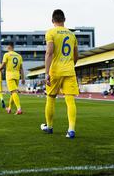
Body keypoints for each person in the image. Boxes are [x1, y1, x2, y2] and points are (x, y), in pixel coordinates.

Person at [40, 9, 79, 139]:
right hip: (69, 70)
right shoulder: (72, 35)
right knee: (70, 100)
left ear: (52, 20)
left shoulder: (51, 32)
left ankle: (49, 127)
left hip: (55, 71)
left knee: (50, 98)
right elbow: (76, 56)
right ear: (64, 20)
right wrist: (69, 66)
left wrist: (46, 73)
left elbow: (49, 53)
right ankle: (71, 129)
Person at [0, 42, 25, 115]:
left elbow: (2, 65)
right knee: (13, 92)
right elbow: (21, 68)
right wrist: (23, 78)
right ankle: (9, 108)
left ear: (9, 47)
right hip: (17, 76)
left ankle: (19, 109)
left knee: (14, 92)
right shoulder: (19, 56)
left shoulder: (7, 54)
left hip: (10, 76)